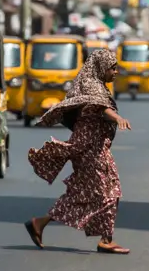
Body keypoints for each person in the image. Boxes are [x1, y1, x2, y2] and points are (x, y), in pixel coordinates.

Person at [25, 50, 132, 254]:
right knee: (108, 191)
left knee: (91, 192)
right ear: (101, 67)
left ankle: (41, 223)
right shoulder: (92, 85)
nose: (116, 72)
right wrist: (117, 117)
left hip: (95, 148)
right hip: (89, 150)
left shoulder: (97, 84)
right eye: (113, 67)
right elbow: (98, 107)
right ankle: (105, 239)